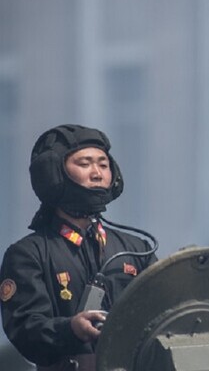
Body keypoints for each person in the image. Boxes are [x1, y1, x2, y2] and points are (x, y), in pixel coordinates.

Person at [0, 124, 157, 371]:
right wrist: (70, 329)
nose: (97, 174)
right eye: (85, 164)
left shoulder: (138, 249)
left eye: (103, 165)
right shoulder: (28, 255)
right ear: (54, 174)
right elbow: (25, 329)